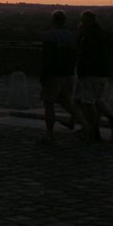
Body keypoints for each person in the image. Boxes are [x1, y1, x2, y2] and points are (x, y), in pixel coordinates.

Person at [39, 10, 85, 144]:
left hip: (54, 73)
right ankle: (86, 126)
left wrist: (44, 75)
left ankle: (49, 134)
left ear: (53, 20)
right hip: (69, 73)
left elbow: (47, 58)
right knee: (67, 102)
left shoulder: (49, 36)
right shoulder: (72, 36)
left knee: (49, 103)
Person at [75, 10, 113, 141]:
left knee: (87, 102)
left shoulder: (88, 35)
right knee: (98, 100)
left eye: (83, 21)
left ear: (88, 21)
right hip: (104, 72)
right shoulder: (107, 35)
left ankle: (94, 130)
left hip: (90, 72)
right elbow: (112, 54)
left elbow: (83, 55)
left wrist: (80, 71)